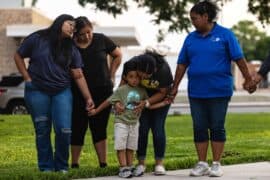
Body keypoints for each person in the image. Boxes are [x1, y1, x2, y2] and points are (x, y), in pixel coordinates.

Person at [169, 1, 253, 177]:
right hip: (196, 91)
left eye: (194, 18)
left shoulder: (225, 35)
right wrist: (175, 86)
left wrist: (248, 79)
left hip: (219, 91)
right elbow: (182, 63)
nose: (192, 21)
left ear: (206, 17)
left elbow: (239, 59)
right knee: (199, 127)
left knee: (216, 126)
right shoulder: (190, 38)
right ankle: (201, 163)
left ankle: (216, 164)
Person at [13, 14, 94, 172]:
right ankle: (46, 168)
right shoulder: (37, 38)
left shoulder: (71, 47)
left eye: (74, 27)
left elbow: (78, 74)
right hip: (37, 90)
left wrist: (88, 97)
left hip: (61, 92)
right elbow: (18, 55)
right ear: (60, 22)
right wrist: (27, 77)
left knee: (64, 130)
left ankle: (62, 166)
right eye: (70, 24)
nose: (73, 28)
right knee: (42, 129)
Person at [70, 16, 122, 168]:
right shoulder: (70, 46)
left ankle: (103, 163)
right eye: (82, 34)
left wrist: (111, 74)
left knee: (99, 127)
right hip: (77, 92)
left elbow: (118, 55)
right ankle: (74, 164)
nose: (86, 36)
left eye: (89, 32)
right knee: (77, 126)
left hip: (102, 91)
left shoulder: (101, 39)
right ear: (75, 34)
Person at [115, 50, 173, 176]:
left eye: (149, 75)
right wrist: (118, 102)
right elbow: (123, 85)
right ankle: (141, 163)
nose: (145, 77)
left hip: (158, 99)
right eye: (142, 74)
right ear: (137, 68)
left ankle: (159, 163)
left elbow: (163, 92)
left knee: (158, 129)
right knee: (142, 130)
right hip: (138, 99)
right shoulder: (130, 65)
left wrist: (147, 102)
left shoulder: (163, 70)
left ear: (155, 69)